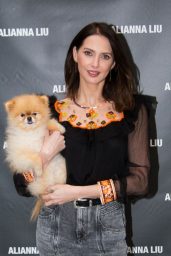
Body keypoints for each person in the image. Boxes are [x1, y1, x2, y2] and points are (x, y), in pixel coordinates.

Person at [13, 22, 150, 256]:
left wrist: (77, 192)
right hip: (55, 226)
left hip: (107, 227)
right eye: (88, 53)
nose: (95, 64)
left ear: (114, 63)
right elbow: (21, 183)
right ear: (76, 54)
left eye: (104, 56)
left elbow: (141, 181)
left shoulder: (131, 110)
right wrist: (44, 155)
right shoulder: (49, 113)